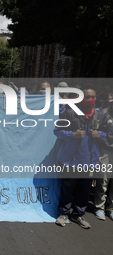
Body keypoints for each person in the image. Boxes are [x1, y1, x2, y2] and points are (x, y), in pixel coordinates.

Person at [54, 84, 109, 229]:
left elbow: (107, 134)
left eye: (93, 97)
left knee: (84, 191)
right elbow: (57, 131)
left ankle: (78, 215)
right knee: (67, 189)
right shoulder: (69, 112)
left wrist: (100, 135)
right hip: (71, 161)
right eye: (87, 97)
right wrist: (72, 135)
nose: (90, 100)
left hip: (89, 162)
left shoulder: (100, 115)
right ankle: (64, 214)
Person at [94, 98, 113, 220]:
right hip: (106, 150)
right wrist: (99, 153)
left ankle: (111, 209)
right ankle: (99, 207)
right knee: (103, 180)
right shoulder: (104, 114)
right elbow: (97, 134)